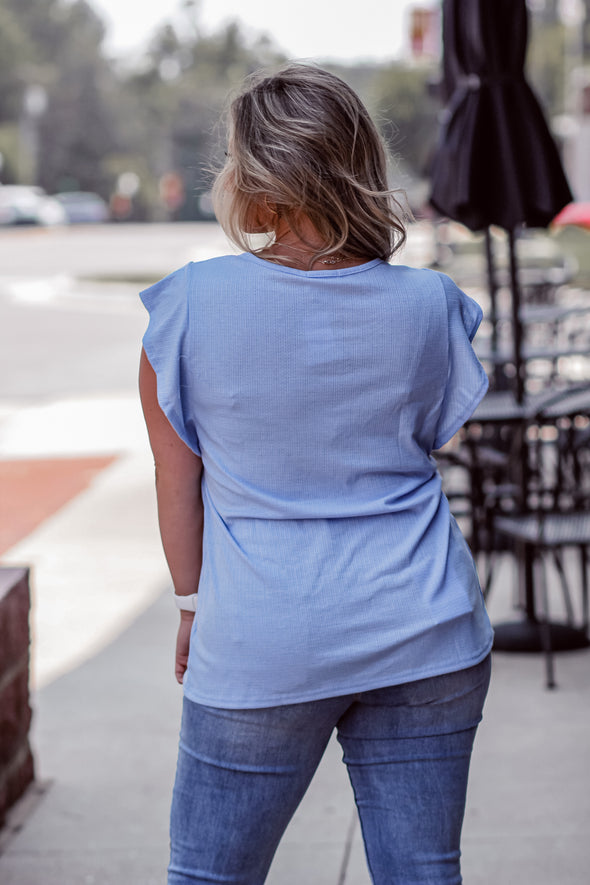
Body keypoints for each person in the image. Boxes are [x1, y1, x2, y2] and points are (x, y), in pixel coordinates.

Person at [139, 63, 493, 885]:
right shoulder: (432, 305)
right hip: (424, 625)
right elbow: (429, 432)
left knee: (210, 875)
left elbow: (175, 478)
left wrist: (193, 605)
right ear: (362, 163)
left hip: (262, 634)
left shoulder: (188, 306)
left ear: (251, 177)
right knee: (423, 873)